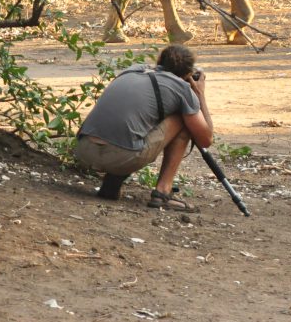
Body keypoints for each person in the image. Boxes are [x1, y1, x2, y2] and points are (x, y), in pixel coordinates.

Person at [75, 44, 213, 212]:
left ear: (159, 60)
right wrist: (199, 94)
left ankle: (113, 182)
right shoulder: (181, 89)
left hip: (83, 150)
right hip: (121, 157)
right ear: (187, 74)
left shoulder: (132, 70)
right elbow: (206, 139)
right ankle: (162, 192)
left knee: (137, 122)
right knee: (183, 120)